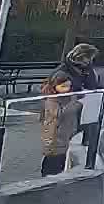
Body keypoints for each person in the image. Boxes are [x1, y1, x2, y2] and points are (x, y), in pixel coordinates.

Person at [40, 43, 97, 176]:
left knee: (64, 145)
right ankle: (49, 174)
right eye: (89, 59)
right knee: (56, 146)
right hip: (60, 115)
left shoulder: (83, 70)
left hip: (72, 115)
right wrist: (78, 99)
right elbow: (58, 96)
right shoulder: (62, 73)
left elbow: (93, 85)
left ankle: (56, 171)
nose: (90, 62)